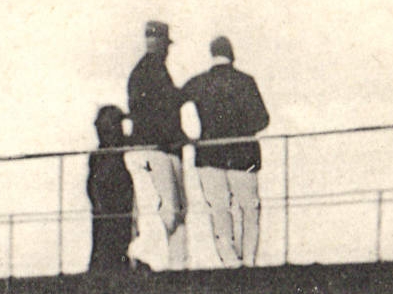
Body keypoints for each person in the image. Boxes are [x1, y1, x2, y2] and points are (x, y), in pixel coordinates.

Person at [182, 37, 270, 267]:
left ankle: (229, 262)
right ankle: (249, 261)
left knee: (219, 210)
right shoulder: (246, 81)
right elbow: (263, 119)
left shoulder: (199, 83)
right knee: (249, 209)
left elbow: (172, 105)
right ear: (232, 55)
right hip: (243, 155)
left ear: (212, 55)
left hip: (209, 155)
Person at [124, 20, 188, 271]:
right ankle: (141, 252)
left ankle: (168, 262)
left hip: (147, 148)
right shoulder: (156, 71)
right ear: (161, 43)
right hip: (157, 150)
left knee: (164, 210)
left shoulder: (139, 72)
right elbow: (163, 112)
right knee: (170, 211)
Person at [86, 105, 135, 272]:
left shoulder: (128, 149)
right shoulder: (97, 155)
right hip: (105, 209)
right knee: (103, 247)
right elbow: (92, 184)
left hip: (121, 207)